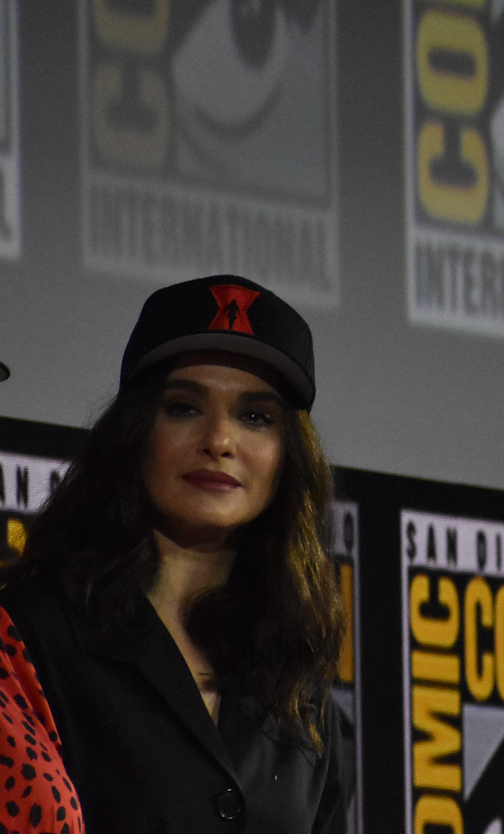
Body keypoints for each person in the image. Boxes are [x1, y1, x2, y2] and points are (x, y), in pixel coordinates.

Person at [0, 275, 347, 832]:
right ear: (136, 431)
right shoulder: (38, 628)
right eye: (184, 408)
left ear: (289, 454)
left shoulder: (298, 684)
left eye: (255, 417)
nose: (219, 440)